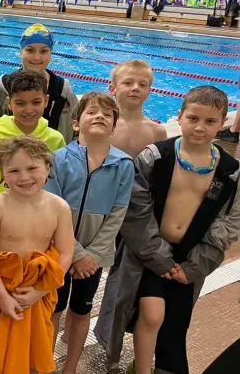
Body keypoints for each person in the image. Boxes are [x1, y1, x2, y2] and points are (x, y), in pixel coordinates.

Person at [96, 86, 240, 374]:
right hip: (149, 251)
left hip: (190, 257)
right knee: (150, 313)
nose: (200, 128)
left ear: (223, 122)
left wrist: (197, 263)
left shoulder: (230, 171)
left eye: (210, 122)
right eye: (193, 118)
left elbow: (231, 220)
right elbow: (135, 210)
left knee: (174, 324)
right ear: (180, 116)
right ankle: (143, 369)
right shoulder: (156, 157)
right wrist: (158, 256)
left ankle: (148, 363)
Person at [44, 92, 134, 374]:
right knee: (53, 310)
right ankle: (44, 365)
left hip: (95, 258)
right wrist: (76, 253)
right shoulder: (57, 159)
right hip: (59, 250)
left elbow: (117, 215)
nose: (100, 117)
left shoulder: (123, 165)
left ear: (114, 126)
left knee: (81, 312)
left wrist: (91, 256)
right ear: (75, 123)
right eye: (92, 112)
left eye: (107, 115)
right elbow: (51, 210)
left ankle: (70, 367)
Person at [0, 135, 74, 374]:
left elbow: (66, 251)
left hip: (35, 289)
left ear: (48, 167)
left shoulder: (59, 207)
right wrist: (3, 296)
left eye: (32, 168)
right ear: (3, 174)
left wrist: (41, 291)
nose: (24, 177)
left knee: (30, 349)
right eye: (14, 170)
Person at [0, 70, 66, 197]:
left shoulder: (56, 140)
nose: (28, 110)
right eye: (20, 103)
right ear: (9, 103)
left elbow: (58, 185)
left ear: (46, 101)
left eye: (36, 102)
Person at [0, 23, 77, 143]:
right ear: (21, 52)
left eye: (43, 51)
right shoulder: (2, 90)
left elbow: (77, 132)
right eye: (30, 50)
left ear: (50, 53)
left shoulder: (63, 91)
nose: (36, 57)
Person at [109, 60, 167, 158]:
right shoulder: (103, 124)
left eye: (142, 85)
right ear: (113, 89)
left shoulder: (157, 132)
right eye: (128, 83)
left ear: (148, 93)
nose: (136, 88)